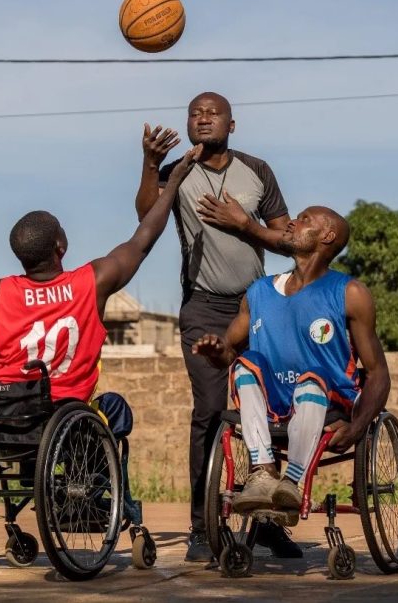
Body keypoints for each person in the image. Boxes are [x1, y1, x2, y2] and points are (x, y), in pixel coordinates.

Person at [135, 91, 296, 561]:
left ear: (232, 123)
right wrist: (152, 165)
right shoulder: (178, 170)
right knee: (208, 410)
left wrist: (245, 223)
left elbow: (287, 240)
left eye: (213, 113)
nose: (203, 118)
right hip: (202, 308)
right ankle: (203, 527)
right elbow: (147, 217)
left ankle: (265, 520)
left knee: (266, 410)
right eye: (195, 113)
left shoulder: (257, 170)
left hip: (256, 307)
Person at [0, 146, 201, 419]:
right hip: (64, 413)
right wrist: (172, 182)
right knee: (116, 409)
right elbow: (143, 239)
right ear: (61, 245)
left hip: (6, 412)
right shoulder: (91, 282)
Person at [192, 207, 391, 516]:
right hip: (273, 404)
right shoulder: (258, 292)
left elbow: (378, 373)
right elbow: (228, 355)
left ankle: (292, 482)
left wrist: (357, 427)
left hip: (328, 401)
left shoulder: (350, 292)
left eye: (305, 219)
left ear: (328, 236)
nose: (292, 223)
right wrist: (216, 350)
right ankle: (262, 472)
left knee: (312, 378)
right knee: (246, 363)